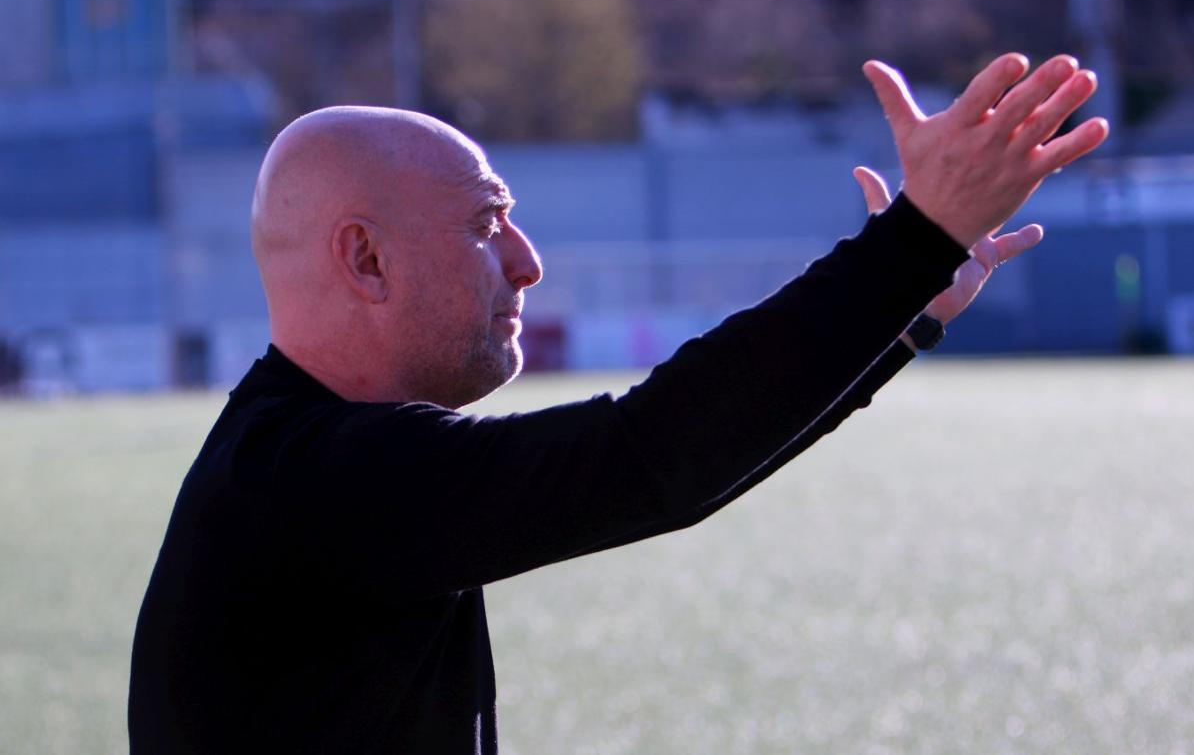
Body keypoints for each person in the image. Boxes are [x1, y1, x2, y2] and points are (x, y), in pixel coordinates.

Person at [129, 53, 1107, 753]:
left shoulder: (304, 461)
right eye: (487, 224)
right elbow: (653, 455)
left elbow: (673, 458)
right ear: (367, 259)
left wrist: (899, 314)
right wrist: (912, 240)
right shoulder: (321, 482)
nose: (528, 260)